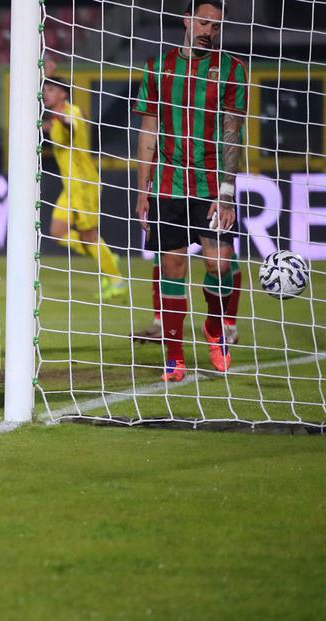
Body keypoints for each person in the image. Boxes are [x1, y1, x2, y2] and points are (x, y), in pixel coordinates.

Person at [132, 0, 247, 382]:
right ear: (186, 19)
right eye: (203, 22)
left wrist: (227, 192)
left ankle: (216, 329)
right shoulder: (156, 69)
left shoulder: (231, 69)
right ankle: (175, 358)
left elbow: (233, 131)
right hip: (167, 186)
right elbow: (148, 130)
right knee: (172, 267)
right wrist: (142, 189)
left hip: (213, 186)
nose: (208, 32)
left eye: (215, 27)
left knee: (220, 265)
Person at [42, 76, 127, 300]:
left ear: (64, 94)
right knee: (57, 233)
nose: (46, 93)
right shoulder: (53, 118)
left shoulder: (72, 112)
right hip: (70, 188)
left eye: (51, 89)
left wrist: (62, 119)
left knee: (89, 235)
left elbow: (72, 124)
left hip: (84, 185)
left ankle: (117, 280)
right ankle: (104, 254)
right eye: (45, 89)